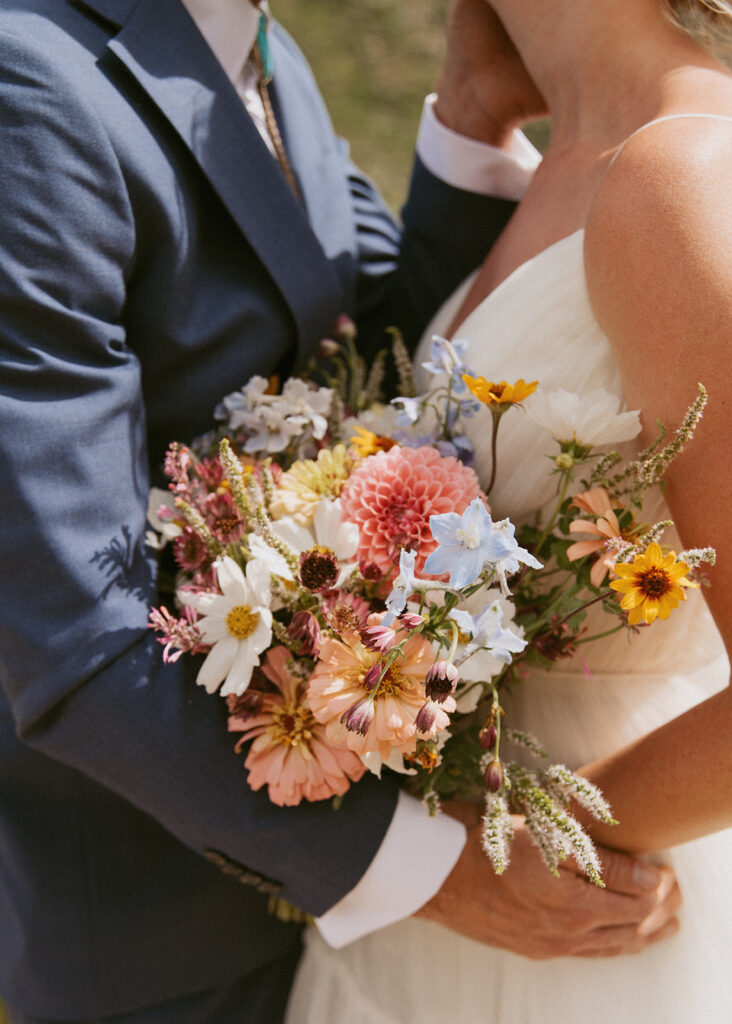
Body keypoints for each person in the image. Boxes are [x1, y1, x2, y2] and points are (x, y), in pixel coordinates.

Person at [0, 1, 681, 1021]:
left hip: (355, 920)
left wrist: (470, 116)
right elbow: (71, 637)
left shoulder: (262, 54)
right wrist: (447, 876)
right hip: (168, 939)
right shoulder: (32, 85)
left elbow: (370, 367)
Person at [284, 0, 732, 1021]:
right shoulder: (557, 165)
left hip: (582, 917)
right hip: (445, 913)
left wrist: (513, 848)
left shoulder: (685, 176)